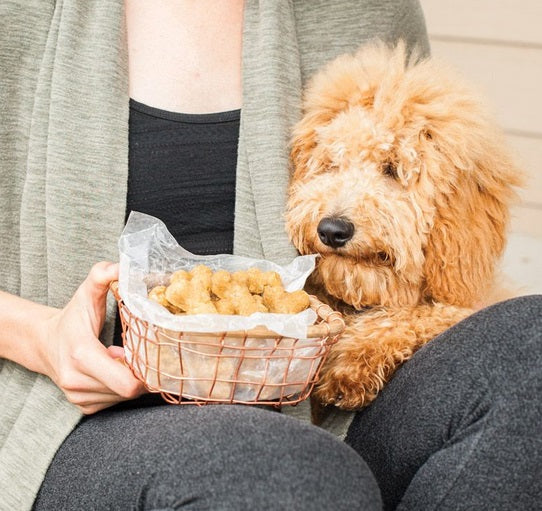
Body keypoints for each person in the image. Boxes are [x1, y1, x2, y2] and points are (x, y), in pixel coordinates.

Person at [0, 1, 540, 510]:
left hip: (325, 402)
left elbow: (443, 216)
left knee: (528, 347)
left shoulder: (367, 9)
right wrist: (42, 337)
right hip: (82, 417)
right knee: (281, 470)